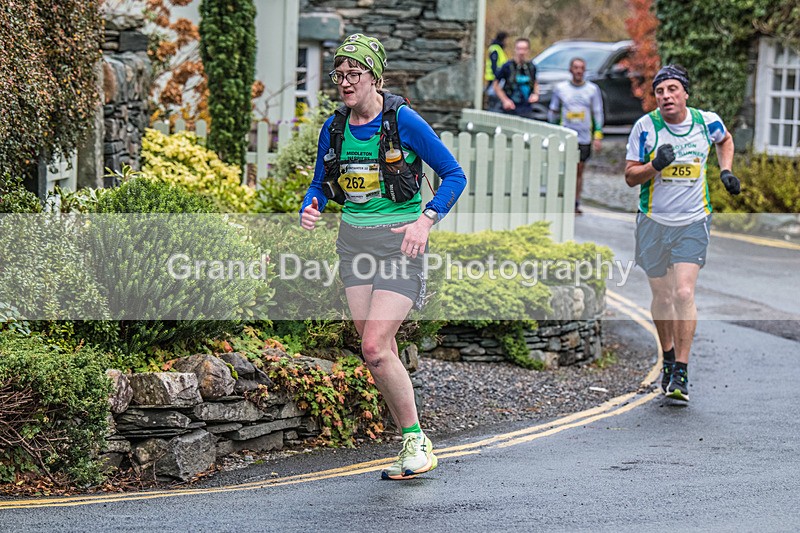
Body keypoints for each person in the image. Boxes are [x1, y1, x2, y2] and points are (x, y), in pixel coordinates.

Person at [300, 34, 466, 479]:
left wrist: (425, 220)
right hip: (354, 244)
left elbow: (454, 174)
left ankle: (414, 440)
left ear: (375, 76)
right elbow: (319, 184)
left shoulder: (403, 121)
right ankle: (411, 440)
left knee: (373, 347)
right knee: (379, 348)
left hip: (399, 244)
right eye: (340, 74)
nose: (345, 82)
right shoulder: (335, 127)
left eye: (354, 74)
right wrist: (310, 205)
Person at [624, 64, 741, 402]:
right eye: (660, 91)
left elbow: (726, 139)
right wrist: (654, 166)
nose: (666, 96)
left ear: (685, 93)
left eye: (672, 89)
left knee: (684, 293)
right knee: (662, 297)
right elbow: (631, 177)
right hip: (653, 222)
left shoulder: (706, 122)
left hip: (693, 220)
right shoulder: (645, 128)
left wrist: (726, 171)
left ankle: (682, 373)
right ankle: (669, 356)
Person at [548, 57, 604, 214]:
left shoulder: (592, 90)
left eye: (581, 68)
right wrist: (552, 131)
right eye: (576, 67)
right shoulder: (560, 88)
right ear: (570, 70)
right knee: (564, 169)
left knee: (579, 170)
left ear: (584, 70)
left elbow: (597, 113)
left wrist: (598, 135)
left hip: (584, 137)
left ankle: (575, 202)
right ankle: (561, 199)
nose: (579, 71)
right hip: (565, 135)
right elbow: (553, 110)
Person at [492, 37, 540, 119]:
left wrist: (535, 94)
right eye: (519, 49)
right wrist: (505, 100)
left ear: (528, 51)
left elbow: (535, 82)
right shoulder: (507, 66)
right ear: (515, 50)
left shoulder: (531, 67)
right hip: (510, 108)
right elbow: (496, 85)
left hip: (526, 109)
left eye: (524, 49)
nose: (521, 52)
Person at [484, 31, 508, 112]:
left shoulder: (497, 48)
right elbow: (494, 64)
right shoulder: (495, 49)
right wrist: (496, 76)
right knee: (493, 97)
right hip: (493, 78)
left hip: (495, 77)